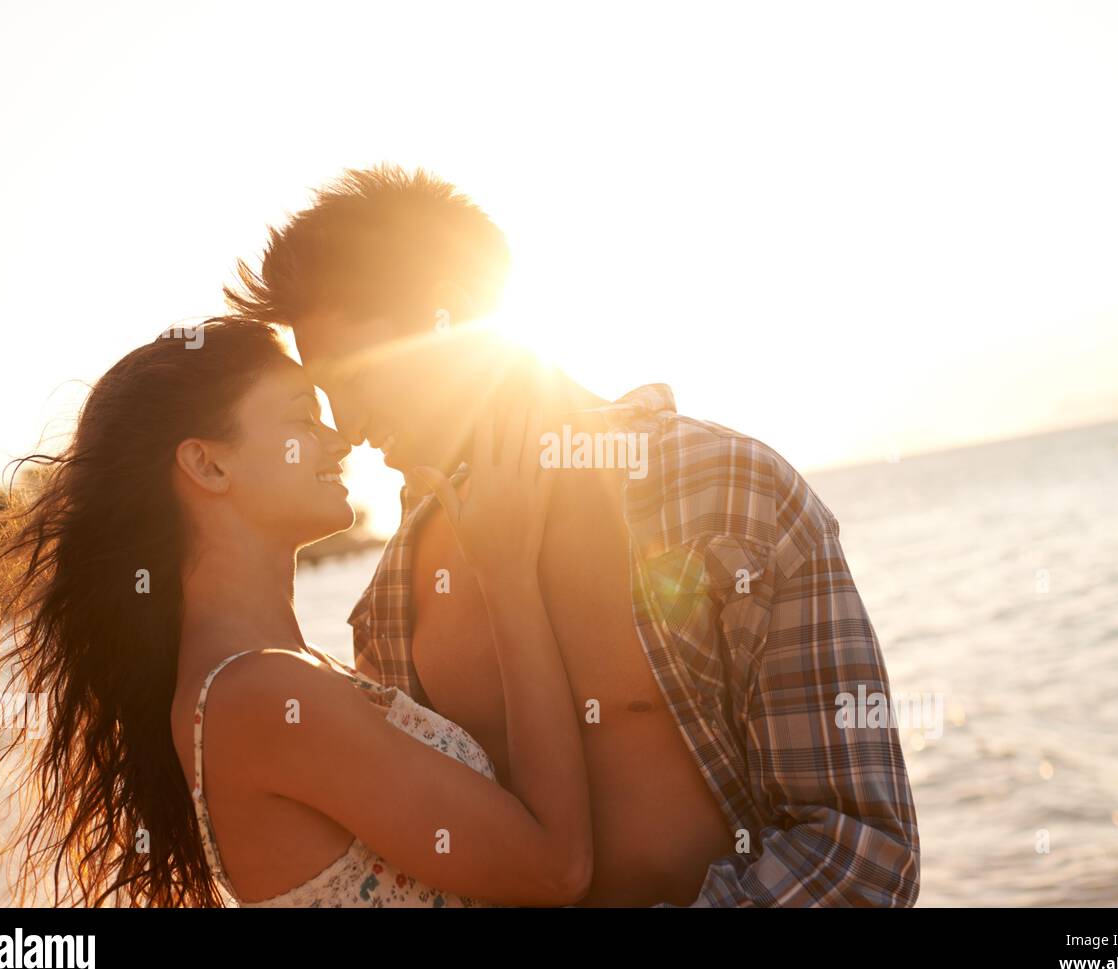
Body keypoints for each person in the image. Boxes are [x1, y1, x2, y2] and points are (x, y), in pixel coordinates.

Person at [225, 164, 922, 906]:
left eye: (355, 380)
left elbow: (860, 852)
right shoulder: (396, 599)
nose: (352, 428)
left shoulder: (726, 496)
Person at [0, 317, 590, 907]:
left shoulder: (280, 678)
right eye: (304, 418)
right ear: (208, 464)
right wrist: (506, 574)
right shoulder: (265, 694)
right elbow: (555, 870)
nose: (339, 442)